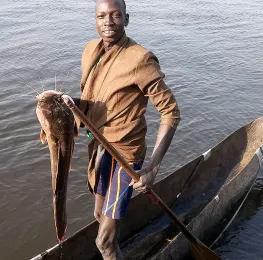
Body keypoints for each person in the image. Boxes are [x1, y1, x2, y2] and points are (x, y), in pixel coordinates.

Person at [66, 0, 181, 259]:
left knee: (104, 241)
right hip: (100, 147)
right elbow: (94, 99)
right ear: (95, 20)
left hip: (126, 155)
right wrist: (69, 105)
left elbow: (171, 113)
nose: (108, 21)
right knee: (98, 215)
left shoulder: (140, 59)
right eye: (102, 16)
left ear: (126, 19)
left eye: (115, 15)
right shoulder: (89, 50)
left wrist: (152, 167)